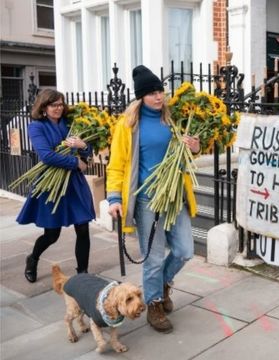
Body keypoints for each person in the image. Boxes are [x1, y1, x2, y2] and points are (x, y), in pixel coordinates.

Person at [106, 65, 200, 334]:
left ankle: (163, 285)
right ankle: (154, 304)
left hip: (174, 197)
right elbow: (117, 165)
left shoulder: (169, 120)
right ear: (141, 97)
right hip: (147, 200)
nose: (159, 97)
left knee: (184, 250)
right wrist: (114, 197)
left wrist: (193, 148)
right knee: (154, 257)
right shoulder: (128, 125)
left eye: (161, 91)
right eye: (152, 93)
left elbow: (183, 154)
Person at [17, 89, 95, 283]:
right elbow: (46, 156)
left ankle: (82, 275)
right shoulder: (36, 127)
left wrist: (83, 146)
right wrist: (75, 163)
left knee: (83, 228)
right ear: (44, 107)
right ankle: (33, 258)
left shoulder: (71, 123)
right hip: (51, 185)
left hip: (74, 184)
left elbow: (87, 149)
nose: (58, 108)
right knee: (52, 234)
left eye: (61, 104)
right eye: (54, 105)